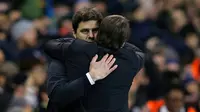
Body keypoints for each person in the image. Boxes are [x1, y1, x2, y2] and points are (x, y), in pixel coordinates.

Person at [44, 15, 145, 112]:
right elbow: (139, 52)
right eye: (85, 31)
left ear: (99, 33)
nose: (91, 35)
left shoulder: (82, 49)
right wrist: (116, 38)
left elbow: (49, 46)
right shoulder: (132, 59)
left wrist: (91, 77)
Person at [45, 7, 118, 112]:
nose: (91, 36)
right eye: (85, 31)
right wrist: (91, 77)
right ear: (74, 33)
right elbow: (57, 95)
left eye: (95, 30)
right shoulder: (62, 56)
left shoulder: (109, 56)